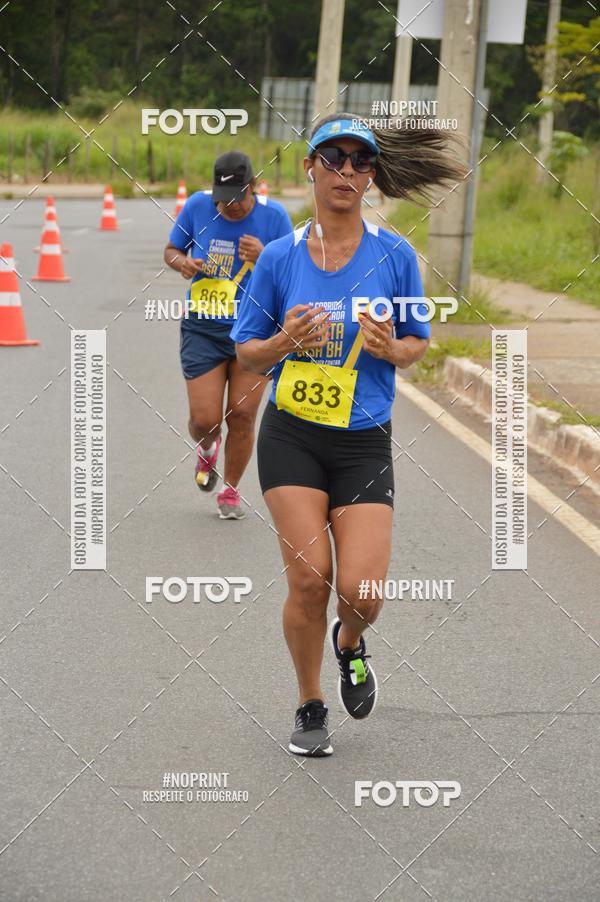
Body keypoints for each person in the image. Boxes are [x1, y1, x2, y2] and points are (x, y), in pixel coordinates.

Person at [231, 114, 466, 755]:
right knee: (310, 579)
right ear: (308, 167)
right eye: (331, 159)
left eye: (359, 162)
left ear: (372, 176)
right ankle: (309, 704)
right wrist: (286, 341)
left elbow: (419, 341)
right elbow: (248, 353)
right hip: (292, 436)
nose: (345, 172)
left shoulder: (394, 256)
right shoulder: (279, 257)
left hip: (363, 438)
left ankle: (350, 642)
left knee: (361, 590)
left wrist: (394, 349)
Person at [164, 150, 293, 519]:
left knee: (241, 415)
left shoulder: (274, 216)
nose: (229, 208)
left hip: (255, 329)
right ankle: (207, 448)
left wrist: (266, 254)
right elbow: (171, 250)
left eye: (237, 200)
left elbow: (294, 272)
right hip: (203, 326)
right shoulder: (196, 207)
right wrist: (183, 263)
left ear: (252, 187)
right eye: (223, 201)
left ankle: (231, 489)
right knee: (205, 419)